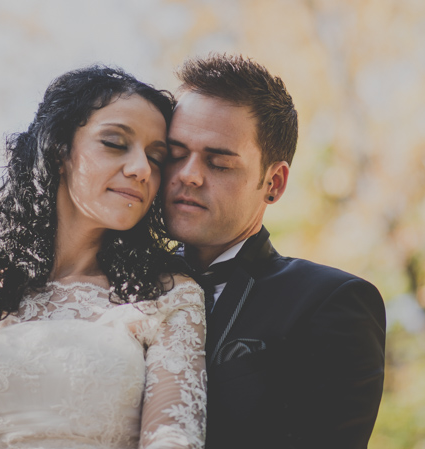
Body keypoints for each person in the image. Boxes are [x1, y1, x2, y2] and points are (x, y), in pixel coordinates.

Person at [0, 65, 207, 449]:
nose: (141, 169)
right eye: (115, 143)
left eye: (157, 157)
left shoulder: (171, 297)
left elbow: (174, 439)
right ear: (59, 148)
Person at [162, 54, 386, 448]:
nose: (188, 175)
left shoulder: (333, 303)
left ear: (274, 183)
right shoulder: (114, 281)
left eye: (218, 163)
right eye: (176, 154)